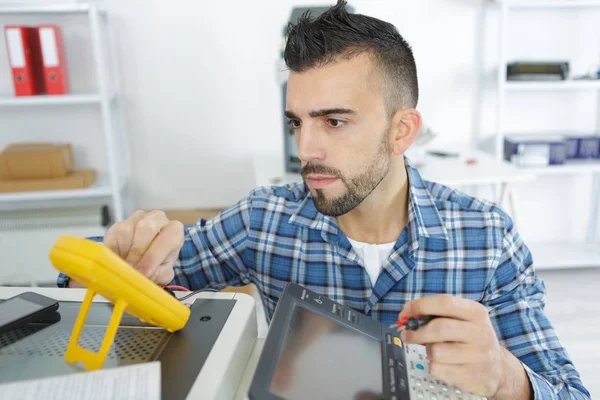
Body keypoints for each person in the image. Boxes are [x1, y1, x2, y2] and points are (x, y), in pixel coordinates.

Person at [57, 2, 590, 398]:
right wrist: (121, 256)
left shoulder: (487, 237)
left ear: (401, 131)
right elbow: (94, 276)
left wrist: (506, 378)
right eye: (296, 123)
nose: (306, 150)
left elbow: (569, 391)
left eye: (334, 122)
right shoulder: (264, 220)